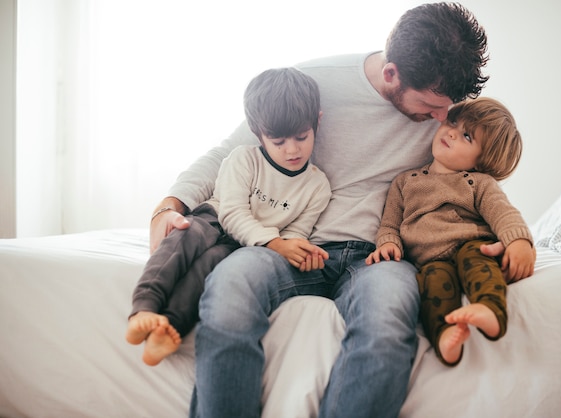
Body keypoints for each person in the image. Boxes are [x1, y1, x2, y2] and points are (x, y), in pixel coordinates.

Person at [150, 3, 534, 417]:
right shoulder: (314, 83)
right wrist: (171, 203)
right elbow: (231, 152)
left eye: (449, 107)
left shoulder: (447, 120)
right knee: (228, 291)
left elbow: (483, 185)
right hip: (291, 243)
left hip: (379, 258)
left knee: (388, 324)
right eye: (431, 106)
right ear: (392, 75)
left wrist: (516, 237)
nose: (442, 119)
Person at [126, 67, 331, 366]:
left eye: (302, 137)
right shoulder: (243, 159)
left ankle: (168, 328)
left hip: (244, 247)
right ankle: (144, 308)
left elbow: (296, 233)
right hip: (215, 219)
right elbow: (233, 214)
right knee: (184, 239)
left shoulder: (317, 186)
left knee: (208, 271)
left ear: (317, 122)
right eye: (278, 142)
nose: (292, 150)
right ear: (257, 132)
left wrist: (298, 252)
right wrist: (276, 243)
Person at [365, 97, 535, 366]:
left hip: (470, 243)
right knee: (433, 285)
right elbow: (389, 224)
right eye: (454, 122)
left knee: (477, 261)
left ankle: (490, 309)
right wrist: (388, 244)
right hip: (429, 260)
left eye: (466, 136)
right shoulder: (405, 182)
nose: (452, 131)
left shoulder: (479, 183)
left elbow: (503, 213)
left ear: (480, 162)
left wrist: (519, 241)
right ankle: (444, 334)